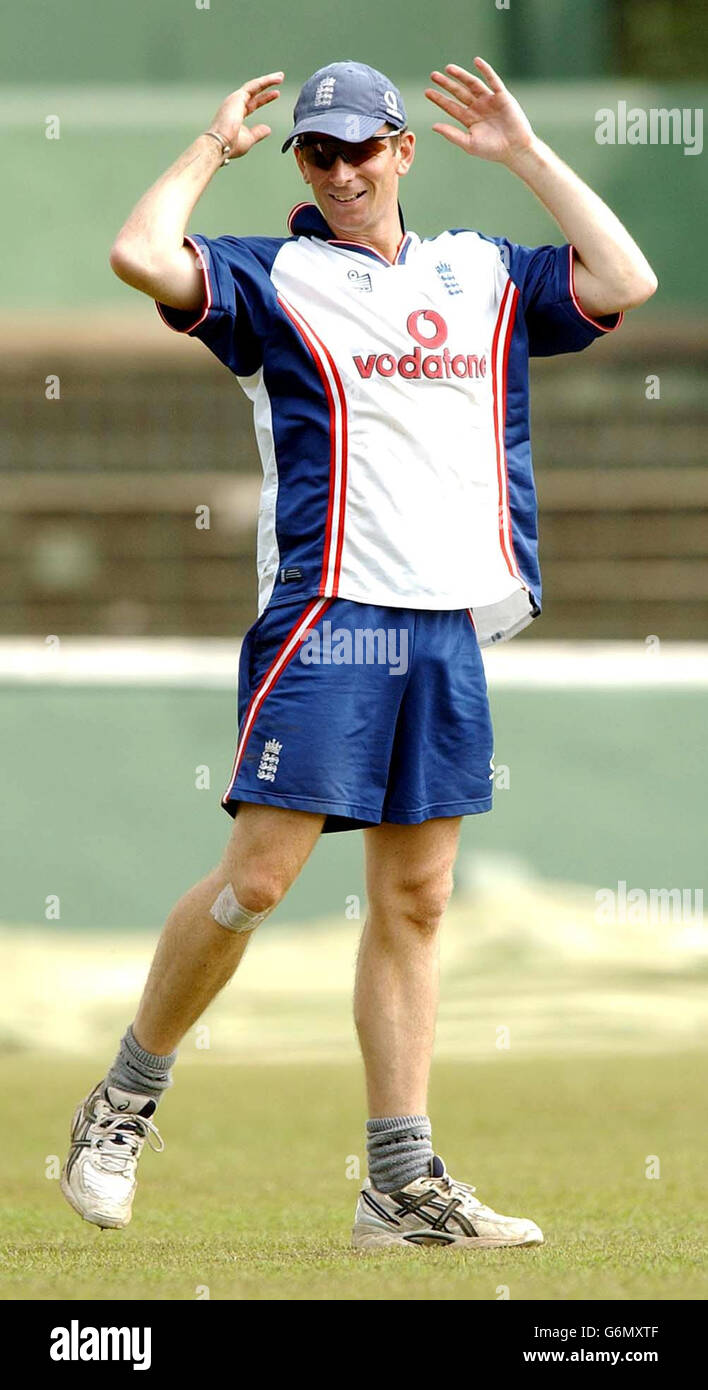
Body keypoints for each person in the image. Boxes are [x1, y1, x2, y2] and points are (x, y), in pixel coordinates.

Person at [61, 58, 656, 1249]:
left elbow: (626, 278)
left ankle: (398, 1185)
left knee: (420, 898)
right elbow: (139, 254)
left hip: (444, 618)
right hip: (332, 612)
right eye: (317, 153)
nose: (339, 171)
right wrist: (209, 144)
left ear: (402, 152)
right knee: (260, 881)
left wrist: (528, 153)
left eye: (359, 149)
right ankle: (120, 1105)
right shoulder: (274, 274)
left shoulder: (480, 271)